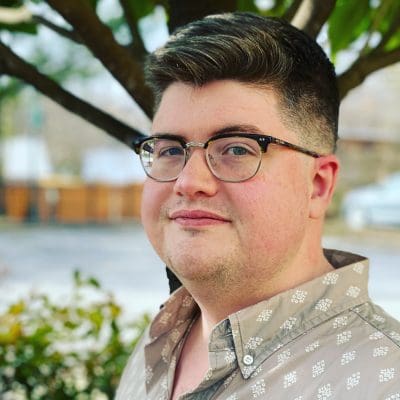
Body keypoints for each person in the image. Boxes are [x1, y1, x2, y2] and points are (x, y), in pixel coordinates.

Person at [116, 12, 400, 400]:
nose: (188, 181)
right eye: (169, 149)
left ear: (317, 186)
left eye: (236, 148)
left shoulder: (385, 382)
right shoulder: (161, 341)